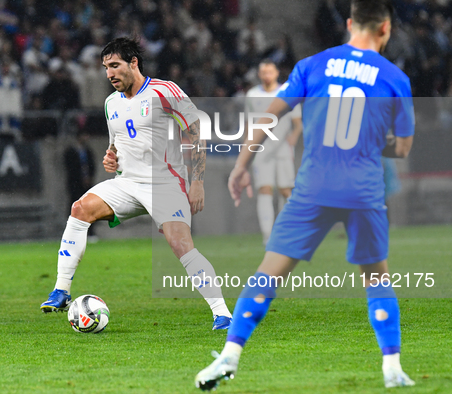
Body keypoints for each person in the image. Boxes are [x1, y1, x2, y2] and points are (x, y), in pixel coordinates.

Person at [196, 0, 415, 389]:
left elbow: (269, 116)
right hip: (363, 190)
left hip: (314, 186)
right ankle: (392, 367)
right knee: (376, 279)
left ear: (350, 24)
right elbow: (401, 150)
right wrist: (372, 144)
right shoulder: (394, 78)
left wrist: (242, 165)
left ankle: (229, 357)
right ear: (386, 29)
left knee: (268, 273)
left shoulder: (313, 66)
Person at [40, 37, 233, 330]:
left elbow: (196, 133)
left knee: (180, 244)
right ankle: (62, 290)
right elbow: (116, 144)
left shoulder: (164, 91)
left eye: (115, 66)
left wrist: (197, 182)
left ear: (134, 63)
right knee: (80, 209)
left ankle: (222, 313)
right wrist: (111, 157)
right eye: (106, 68)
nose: (110, 74)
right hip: (127, 183)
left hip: (165, 184)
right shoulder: (111, 103)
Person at [245, 59, 302, 245]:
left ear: (277, 73)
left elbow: (297, 123)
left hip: (283, 149)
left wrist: (293, 137)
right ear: (259, 75)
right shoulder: (252, 94)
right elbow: (248, 124)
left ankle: (288, 231)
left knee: (286, 190)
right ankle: (268, 237)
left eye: (270, 72)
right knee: (265, 189)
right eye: (264, 72)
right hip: (260, 149)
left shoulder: (287, 92)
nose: (267, 75)